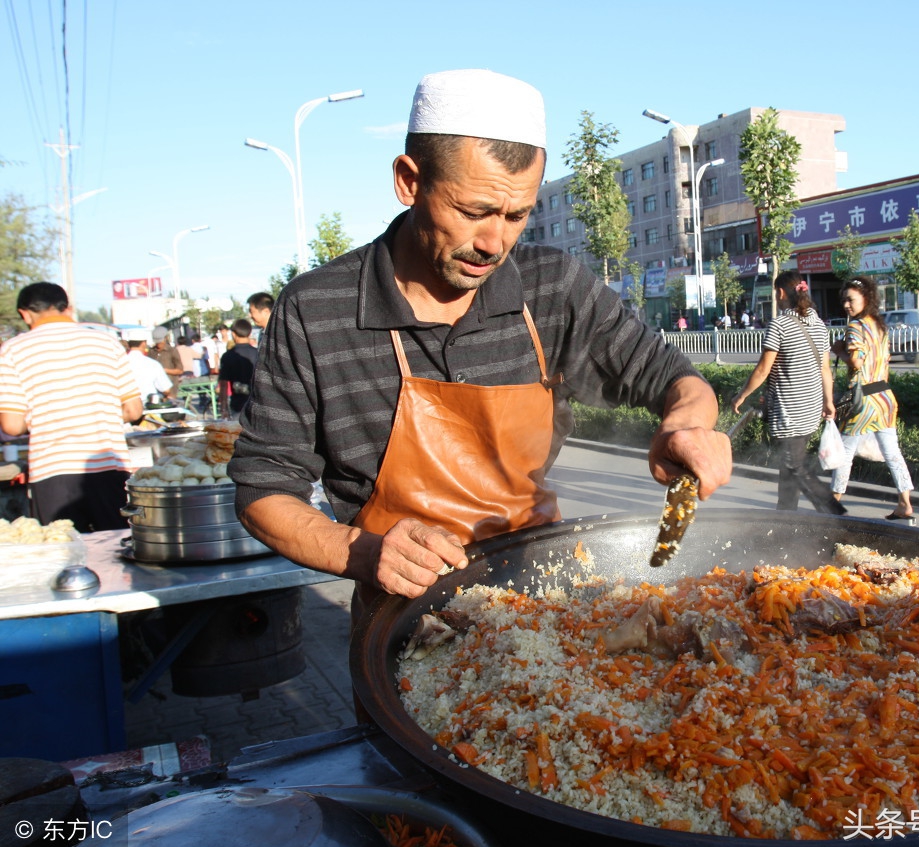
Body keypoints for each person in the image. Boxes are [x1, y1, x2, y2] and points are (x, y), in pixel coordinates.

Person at [228, 68, 732, 610]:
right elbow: (264, 488)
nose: (495, 243)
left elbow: (676, 380)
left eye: (517, 215)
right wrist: (362, 551)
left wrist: (685, 426)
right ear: (408, 181)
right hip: (401, 611)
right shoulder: (315, 309)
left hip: (547, 600)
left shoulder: (552, 288)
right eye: (473, 212)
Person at [0, 282, 142, 530]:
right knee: (117, 550)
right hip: (110, 465)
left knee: (64, 554)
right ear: (68, 308)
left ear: (25, 313)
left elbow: (12, 425)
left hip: (52, 470)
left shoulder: (12, 350)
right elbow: (133, 411)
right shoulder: (107, 343)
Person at [729, 271, 844, 515]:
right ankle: (785, 518)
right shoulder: (819, 326)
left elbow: (762, 369)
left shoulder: (779, 325)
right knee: (790, 466)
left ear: (781, 293)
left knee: (795, 465)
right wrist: (828, 401)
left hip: (790, 410)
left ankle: (835, 515)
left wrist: (741, 395)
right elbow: (825, 369)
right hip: (811, 409)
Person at [827, 277, 916, 523]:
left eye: (851, 299)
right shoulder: (879, 325)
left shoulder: (856, 326)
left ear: (866, 298)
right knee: (892, 453)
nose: (846, 304)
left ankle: (833, 503)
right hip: (885, 397)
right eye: (844, 300)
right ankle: (905, 503)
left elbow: (856, 361)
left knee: (844, 451)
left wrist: (839, 352)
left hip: (863, 398)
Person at [218, 318, 258, 415]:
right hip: (258, 405)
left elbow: (223, 384)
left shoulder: (228, 356)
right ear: (249, 333)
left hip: (238, 406)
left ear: (233, 334)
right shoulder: (258, 353)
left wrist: (223, 409)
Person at [125, 333, 176, 403]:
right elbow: (166, 389)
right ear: (144, 343)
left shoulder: (120, 363)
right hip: (149, 406)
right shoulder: (152, 364)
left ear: (128, 344)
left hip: (126, 407)